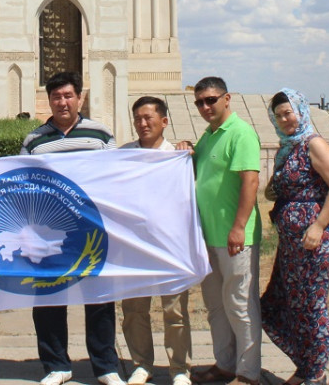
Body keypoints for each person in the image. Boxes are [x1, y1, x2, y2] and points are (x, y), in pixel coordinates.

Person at [20, 71, 123, 385]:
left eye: (68, 96)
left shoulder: (101, 135)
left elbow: (116, 177)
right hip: (48, 233)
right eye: (56, 97)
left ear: (79, 97)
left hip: (91, 231)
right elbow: (24, 184)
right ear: (49, 99)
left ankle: (105, 367)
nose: (62, 102)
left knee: (99, 298)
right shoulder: (34, 140)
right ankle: (56, 365)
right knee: (49, 298)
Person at [260, 90, 329, 385]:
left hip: (314, 243)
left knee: (312, 306)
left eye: (289, 112)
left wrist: (318, 226)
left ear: (300, 111)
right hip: (292, 246)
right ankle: (306, 367)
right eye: (279, 115)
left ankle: (316, 374)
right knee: (285, 304)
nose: (285, 119)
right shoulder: (287, 148)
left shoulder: (314, 144)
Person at [184, 77, 262, 385]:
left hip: (234, 237)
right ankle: (226, 364)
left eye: (211, 100)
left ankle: (249, 372)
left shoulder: (241, 133)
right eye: (200, 102)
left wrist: (239, 227)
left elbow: (250, 182)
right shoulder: (209, 135)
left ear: (227, 99)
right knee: (217, 307)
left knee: (240, 305)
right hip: (209, 237)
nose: (205, 107)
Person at [119, 97, 192, 385]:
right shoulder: (124, 155)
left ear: (164, 121)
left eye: (148, 117)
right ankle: (141, 363)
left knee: (174, 310)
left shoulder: (179, 155)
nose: (142, 123)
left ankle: (179, 368)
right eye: (137, 118)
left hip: (170, 245)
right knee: (134, 309)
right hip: (135, 245)